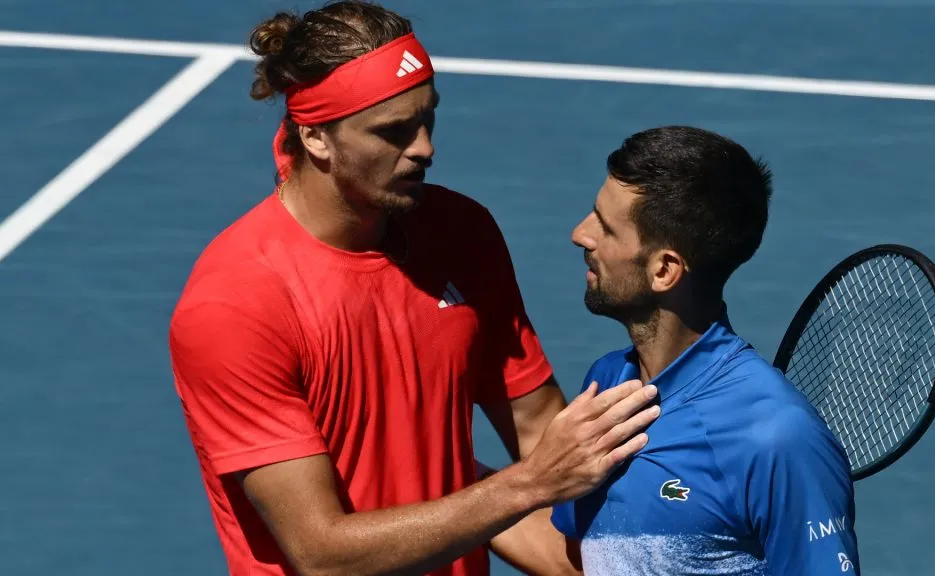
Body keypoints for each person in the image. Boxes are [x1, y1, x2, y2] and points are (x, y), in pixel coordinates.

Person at [166, 2, 660, 575]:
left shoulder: (460, 232)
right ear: (316, 138)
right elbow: (322, 555)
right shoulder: (235, 305)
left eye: (427, 118)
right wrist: (527, 486)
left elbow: (538, 430)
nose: (424, 147)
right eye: (393, 131)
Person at [551, 126, 860, 575]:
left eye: (606, 226)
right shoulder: (607, 383)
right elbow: (578, 562)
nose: (581, 234)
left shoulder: (776, 439)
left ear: (664, 270)